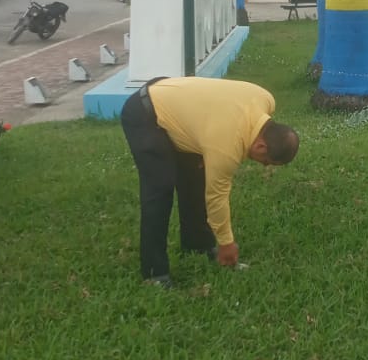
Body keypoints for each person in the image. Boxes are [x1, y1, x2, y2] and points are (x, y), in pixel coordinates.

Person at [121, 76, 300, 287]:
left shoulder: (266, 99)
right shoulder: (227, 146)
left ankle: (197, 245)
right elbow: (216, 198)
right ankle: (154, 274)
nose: (264, 166)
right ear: (261, 146)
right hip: (146, 112)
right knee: (160, 188)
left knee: (195, 178)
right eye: (266, 161)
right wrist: (226, 243)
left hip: (175, 103)